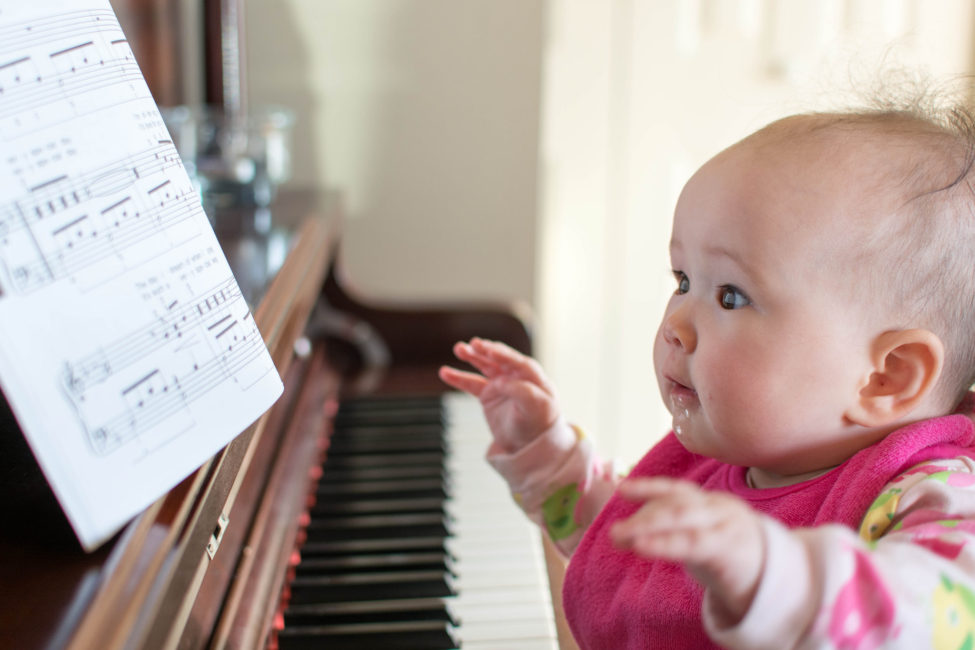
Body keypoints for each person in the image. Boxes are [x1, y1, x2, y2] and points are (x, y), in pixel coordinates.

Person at [439, 97, 975, 649]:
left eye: (730, 295)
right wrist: (547, 457)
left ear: (886, 377)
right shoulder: (737, 452)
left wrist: (781, 579)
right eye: (683, 280)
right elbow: (632, 546)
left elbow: (941, 612)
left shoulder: (933, 491)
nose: (676, 323)